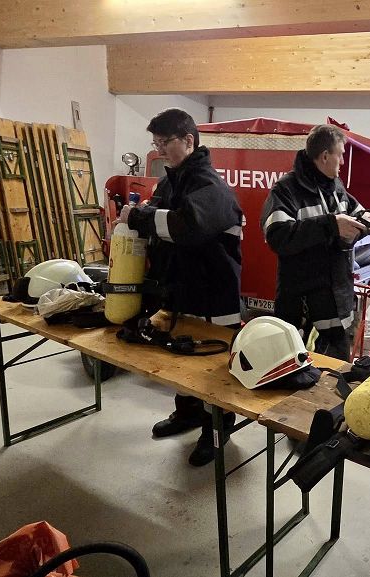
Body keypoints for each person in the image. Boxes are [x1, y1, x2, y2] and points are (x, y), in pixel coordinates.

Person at [119, 108, 244, 467]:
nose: (159, 150)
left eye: (164, 142)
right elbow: (157, 220)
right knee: (181, 359)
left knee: (214, 373)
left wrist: (139, 216)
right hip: (181, 291)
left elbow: (184, 226)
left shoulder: (210, 186)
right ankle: (187, 414)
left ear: (188, 141)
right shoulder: (171, 182)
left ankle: (216, 432)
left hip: (213, 298)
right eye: (155, 143)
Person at [260, 124, 370, 360]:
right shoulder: (286, 190)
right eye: (341, 155)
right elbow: (277, 235)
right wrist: (331, 225)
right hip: (301, 306)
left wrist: (366, 220)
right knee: (293, 367)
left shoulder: (334, 185)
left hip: (337, 302)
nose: (343, 162)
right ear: (325, 156)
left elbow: (357, 212)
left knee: (337, 371)